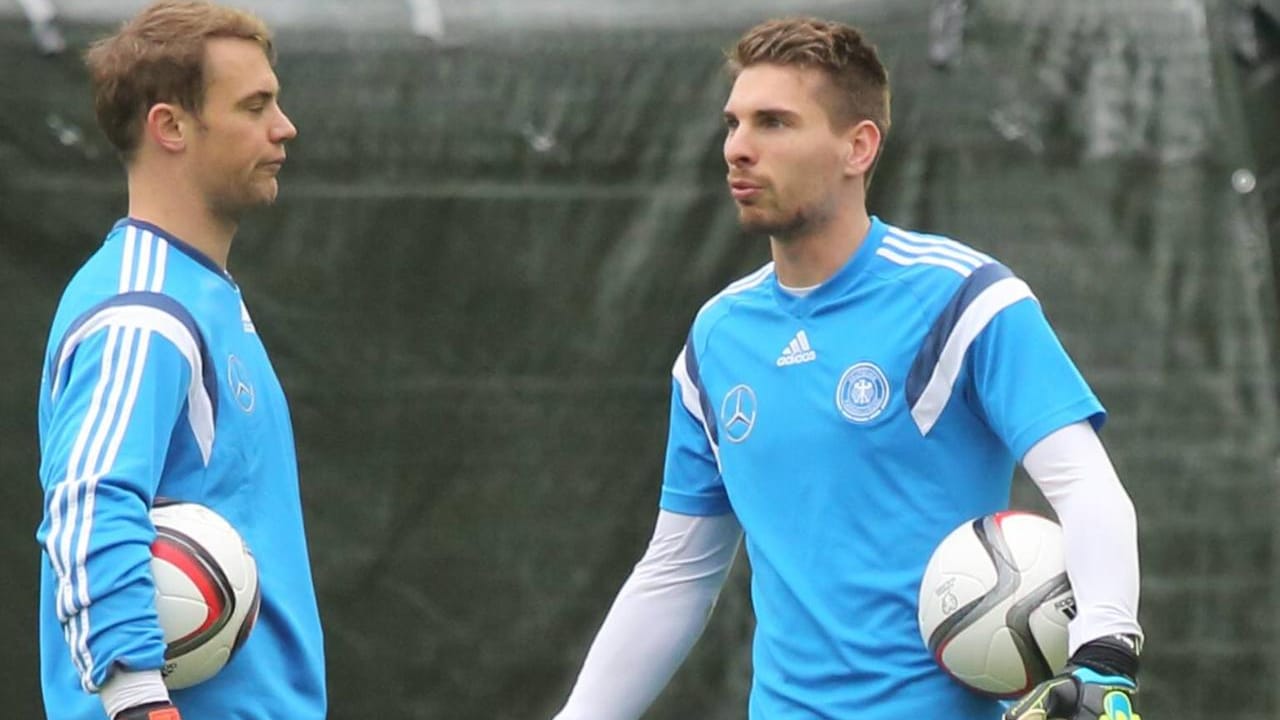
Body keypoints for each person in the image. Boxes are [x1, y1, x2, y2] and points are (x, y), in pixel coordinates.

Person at [552, 16, 1143, 720]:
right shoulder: (717, 339)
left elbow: (1085, 487)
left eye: (773, 123)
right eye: (733, 123)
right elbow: (677, 574)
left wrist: (1105, 659)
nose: (738, 149)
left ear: (858, 147)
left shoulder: (966, 300)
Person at [34, 2, 325, 718]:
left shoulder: (199, 294)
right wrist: (136, 699)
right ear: (170, 127)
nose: (283, 127)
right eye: (255, 106)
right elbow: (88, 504)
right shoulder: (143, 309)